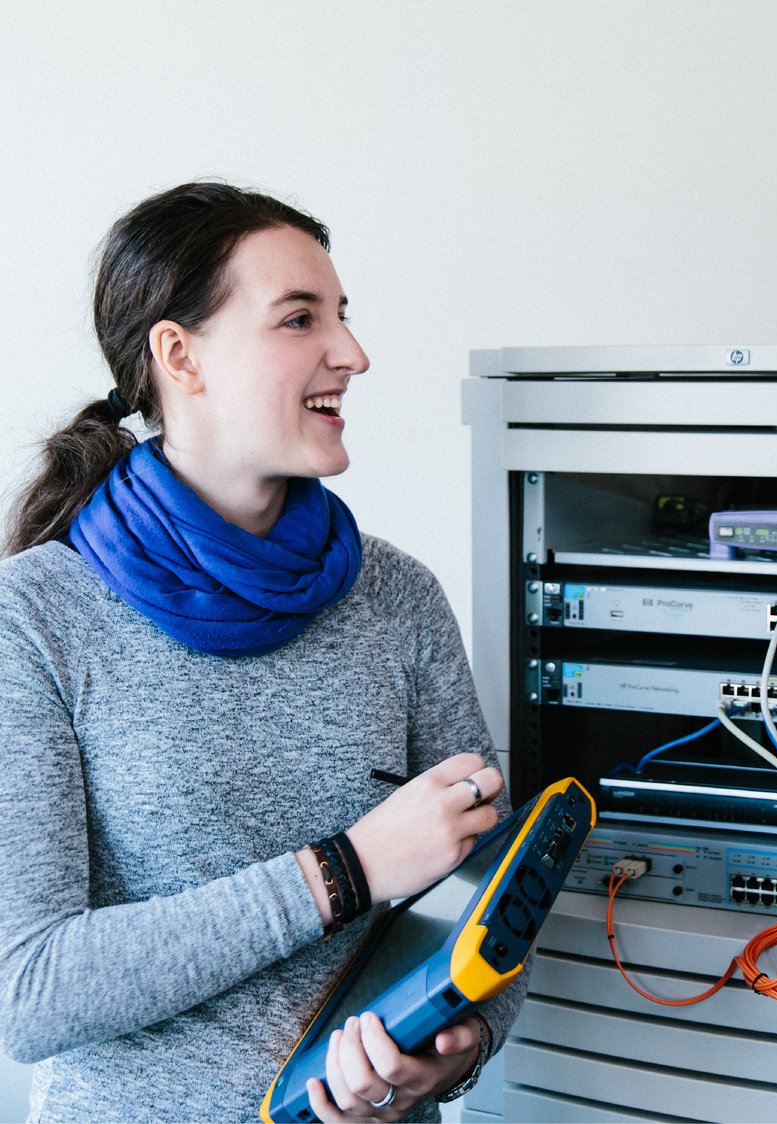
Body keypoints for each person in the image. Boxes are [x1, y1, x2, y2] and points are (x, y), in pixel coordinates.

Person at [0, 183, 520, 1122]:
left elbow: (491, 896)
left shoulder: (397, 596)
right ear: (178, 354)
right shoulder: (35, 620)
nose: (352, 355)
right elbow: (30, 992)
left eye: (343, 317)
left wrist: (457, 1046)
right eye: (298, 319)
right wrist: (345, 871)